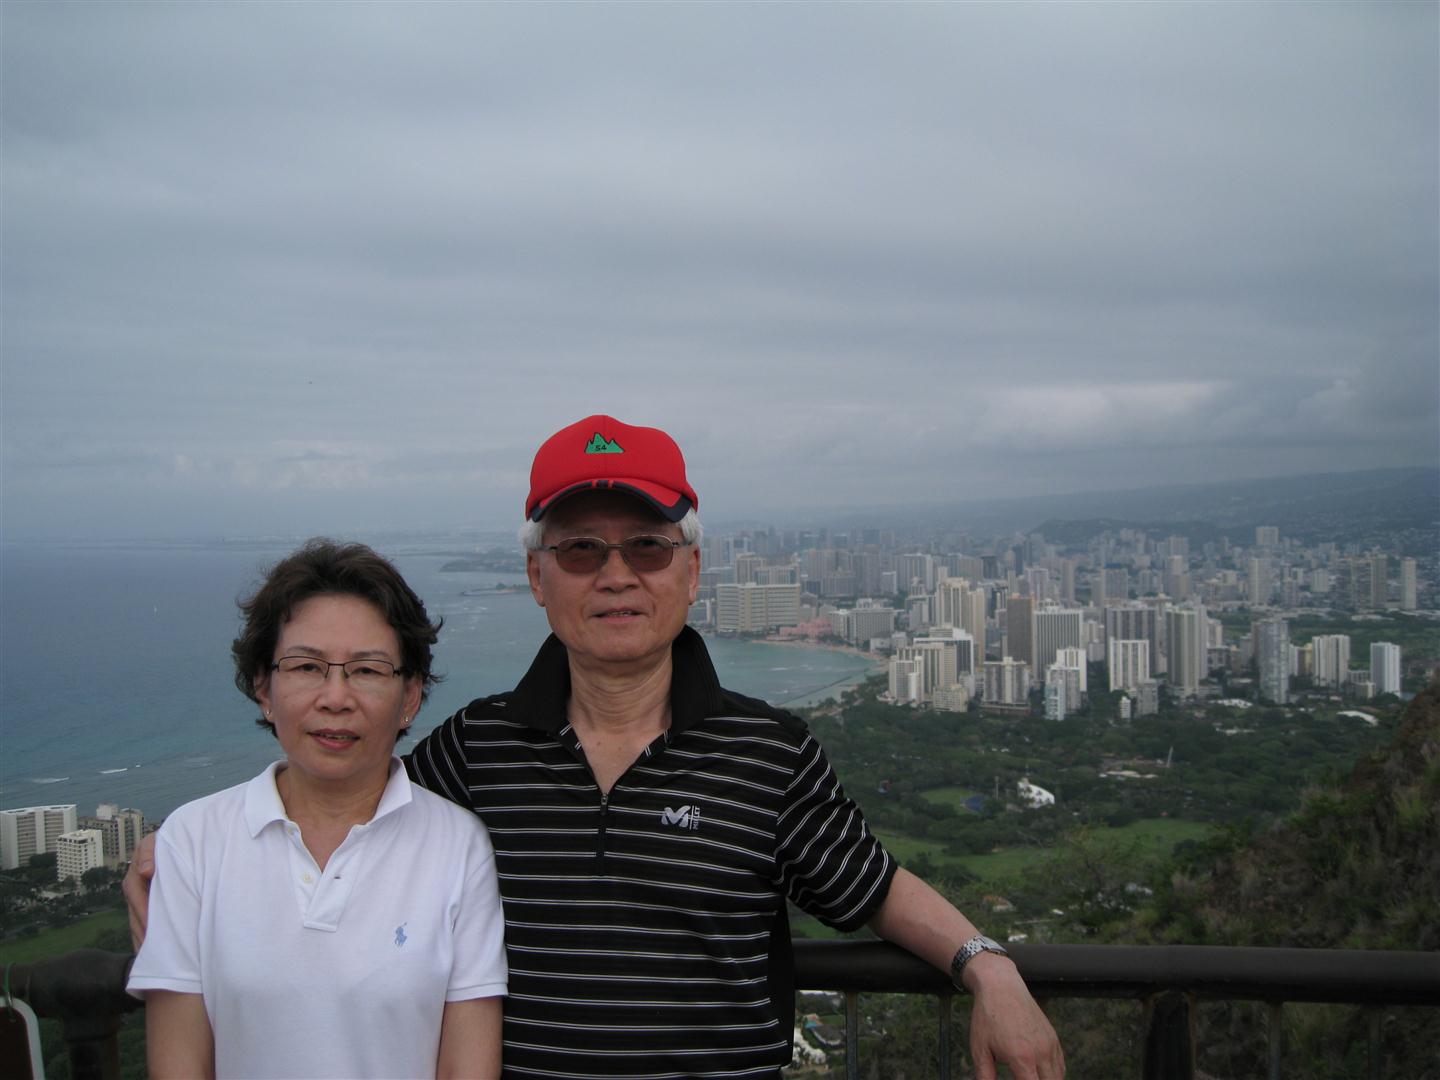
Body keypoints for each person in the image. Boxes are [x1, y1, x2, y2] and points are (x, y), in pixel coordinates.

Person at [131, 417, 1063, 1080]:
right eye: (580, 550)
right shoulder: (479, 746)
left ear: (691, 571)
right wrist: (180, 861)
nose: (615, 575)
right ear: (538, 577)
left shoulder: (767, 751)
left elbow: (875, 887)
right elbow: (347, 789)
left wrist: (989, 967)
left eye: (647, 547)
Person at [126, 540, 507, 1079]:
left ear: (410, 697)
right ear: (263, 688)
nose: (335, 697)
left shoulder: (458, 847)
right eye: (306, 666)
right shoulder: (193, 841)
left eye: (368, 670)